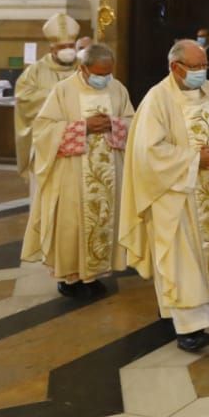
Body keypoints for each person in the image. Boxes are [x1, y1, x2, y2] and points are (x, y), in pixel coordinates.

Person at [118, 38, 209, 353]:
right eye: (197, 67)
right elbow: (148, 152)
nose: (203, 72)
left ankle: (174, 308)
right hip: (174, 196)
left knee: (199, 254)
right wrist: (193, 159)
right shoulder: (156, 100)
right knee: (179, 260)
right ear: (176, 67)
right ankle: (190, 327)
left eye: (205, 65)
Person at [23, 43, 135, 299]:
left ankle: (93, 274)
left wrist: (114, 124)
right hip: (72, 172)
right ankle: (70, 277)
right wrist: (82, 127)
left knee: (104, 221)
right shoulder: (63, 91)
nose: (104, 77)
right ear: (83, 69)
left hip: (109, 174)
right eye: (99, 72)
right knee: (71, 225)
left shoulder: (117, 88)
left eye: (108, 72)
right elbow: (42, 132)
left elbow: (132, 121)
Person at [13, 14, 81, 185]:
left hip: (80, 140)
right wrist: (57, 96)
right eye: (63, 46)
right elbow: (24, 98)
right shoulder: (35, 71)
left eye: (71, 46)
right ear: (52, 49)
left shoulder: (86, 67)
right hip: (47, 142)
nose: (68, 50)